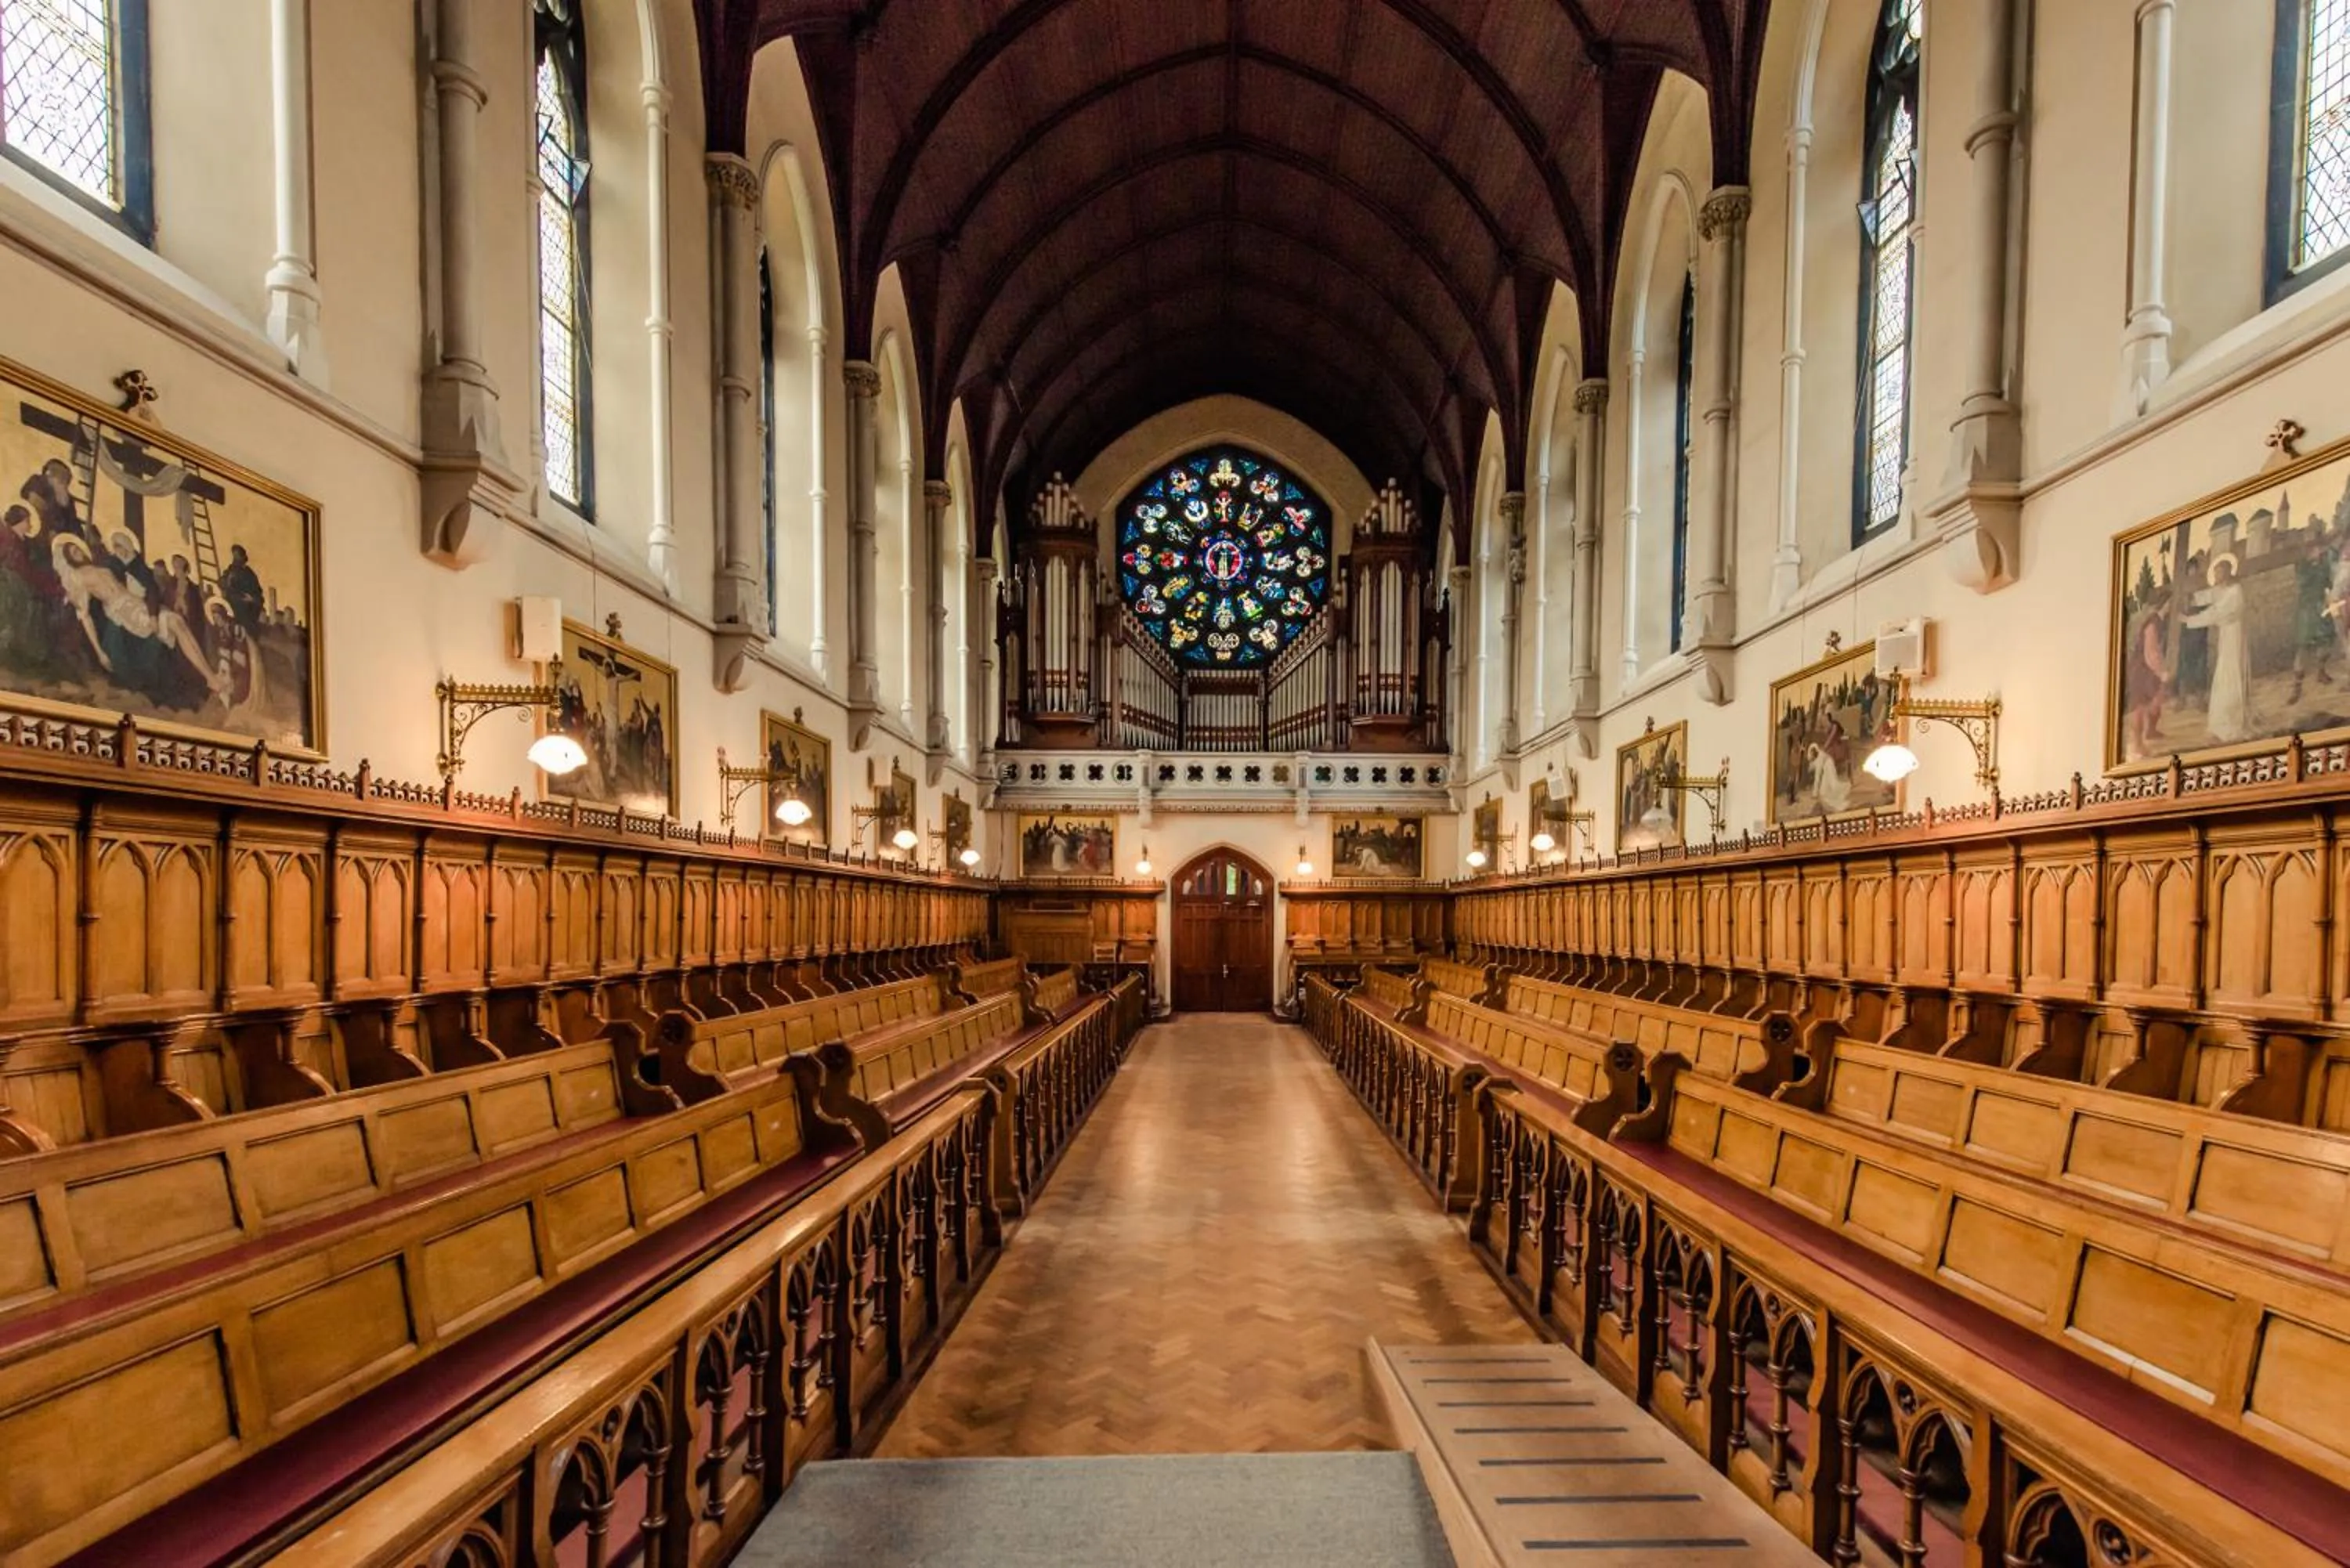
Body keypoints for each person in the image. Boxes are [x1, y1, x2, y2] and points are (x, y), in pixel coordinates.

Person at [2182, 555, 2251, 743]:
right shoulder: (2221, 590)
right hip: (2226, 638)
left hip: (2235, 638)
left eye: (2220, 570)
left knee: (2231, 675)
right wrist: (2190, 598)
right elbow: (2207, 596)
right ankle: (2219, 722)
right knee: (2223, 676)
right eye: (2215, 571)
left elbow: (2216, 612)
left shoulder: (2236, 591)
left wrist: (2190, 621)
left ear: (2229, 572)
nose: (2217, 574)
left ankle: (2232, 724)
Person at [220, 544, 266, 631]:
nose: (235, 560)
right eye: (234, 557)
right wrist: (226, 582)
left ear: (243, 559)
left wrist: (251, 599)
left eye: (238, 556)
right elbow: (222, 582)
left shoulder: (250, 574)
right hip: (231, 607)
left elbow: (258, 595)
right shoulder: (231, 570)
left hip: (246, 610)